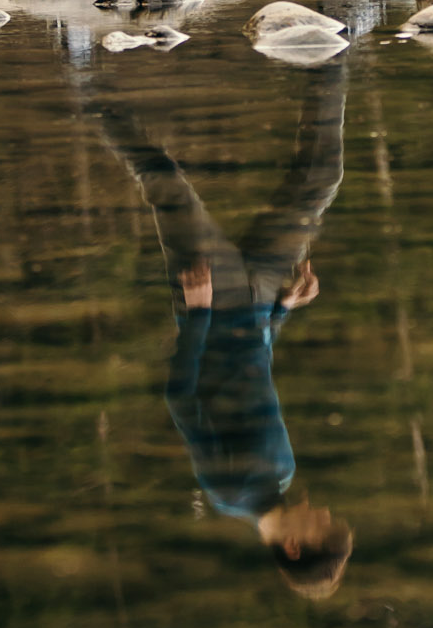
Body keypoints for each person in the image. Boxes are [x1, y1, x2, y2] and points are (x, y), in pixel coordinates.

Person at [97, 65, 354, 598]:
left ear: (294, 546)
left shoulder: (230, 489)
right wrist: (282, 310)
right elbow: (251, 373)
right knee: (319, 181)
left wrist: (196, 312)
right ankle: (333, 45)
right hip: (258, 299)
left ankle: (85, 85)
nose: (325, 510)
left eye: (323, 523)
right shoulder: (279, 479)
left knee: (164, 178)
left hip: (210, 297)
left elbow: (183, 397)